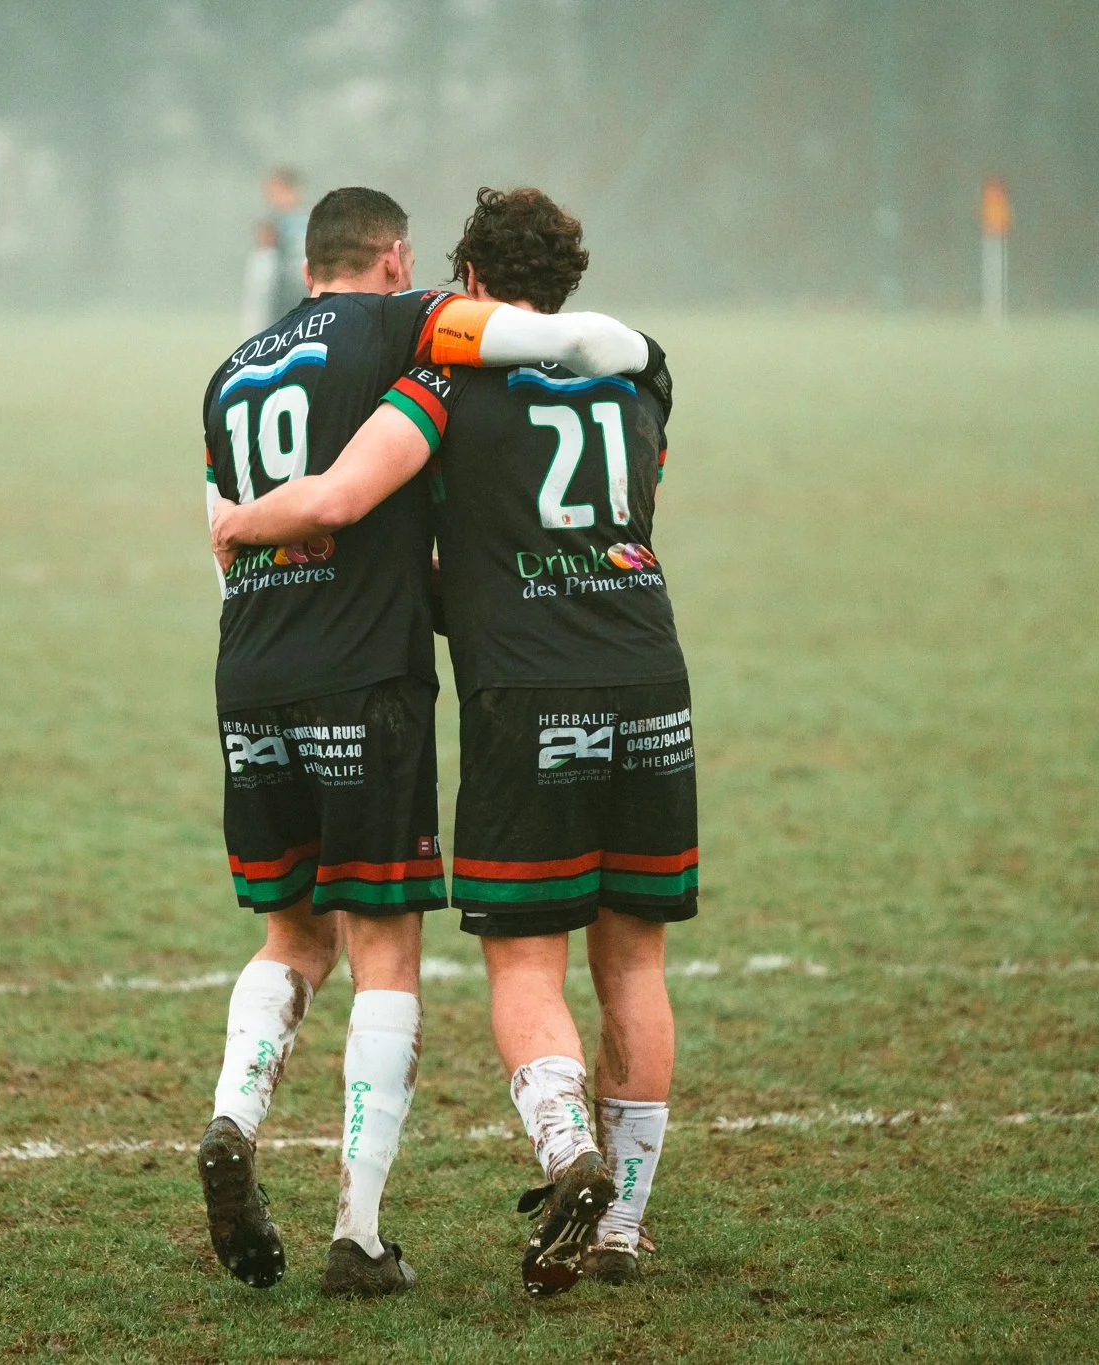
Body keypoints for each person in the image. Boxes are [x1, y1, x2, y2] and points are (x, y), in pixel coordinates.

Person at [209, 187, 687, 1297]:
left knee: (523, 960)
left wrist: (246, 526)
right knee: (636, 960)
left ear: (460, 275)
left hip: (518, 692)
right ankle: (623, 1224)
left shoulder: (442, 379)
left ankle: (566, 1151)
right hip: (650, 675)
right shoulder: (645, 369)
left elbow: (348, 501)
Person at [241, 167, 312, 335]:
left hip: (284, 296)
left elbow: (262, 270)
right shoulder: (313, 218)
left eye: (273, 191)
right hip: (307, 293)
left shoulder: (273, 224)